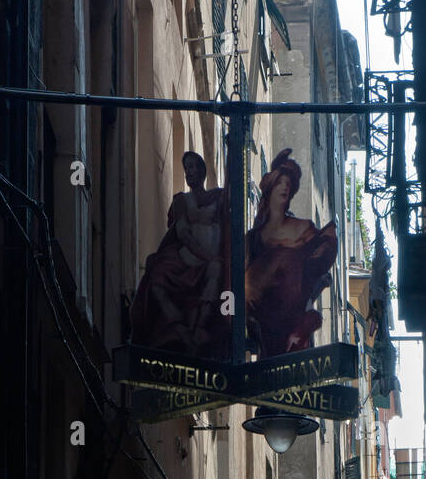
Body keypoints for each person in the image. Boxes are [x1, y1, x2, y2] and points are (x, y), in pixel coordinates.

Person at [129, 150, 229, 355]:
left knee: (216, 269)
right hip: (188, 256)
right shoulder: (181, 201)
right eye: (186, 168)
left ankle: (198, 328)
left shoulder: (217, 197)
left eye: (192, 167)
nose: (189, 172)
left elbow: (232, 194)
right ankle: (178, 326)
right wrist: (206, 256)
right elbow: (183, 234)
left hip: (210, 260)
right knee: (157, 275)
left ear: (202, 170)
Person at [244, 148, 338, 357]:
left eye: (289, 183)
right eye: (280, 182)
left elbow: (322, 251)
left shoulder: (303, 227)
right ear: (270, 187)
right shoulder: (253, 238)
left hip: (289, 311)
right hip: (262, 315)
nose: (285, 187)